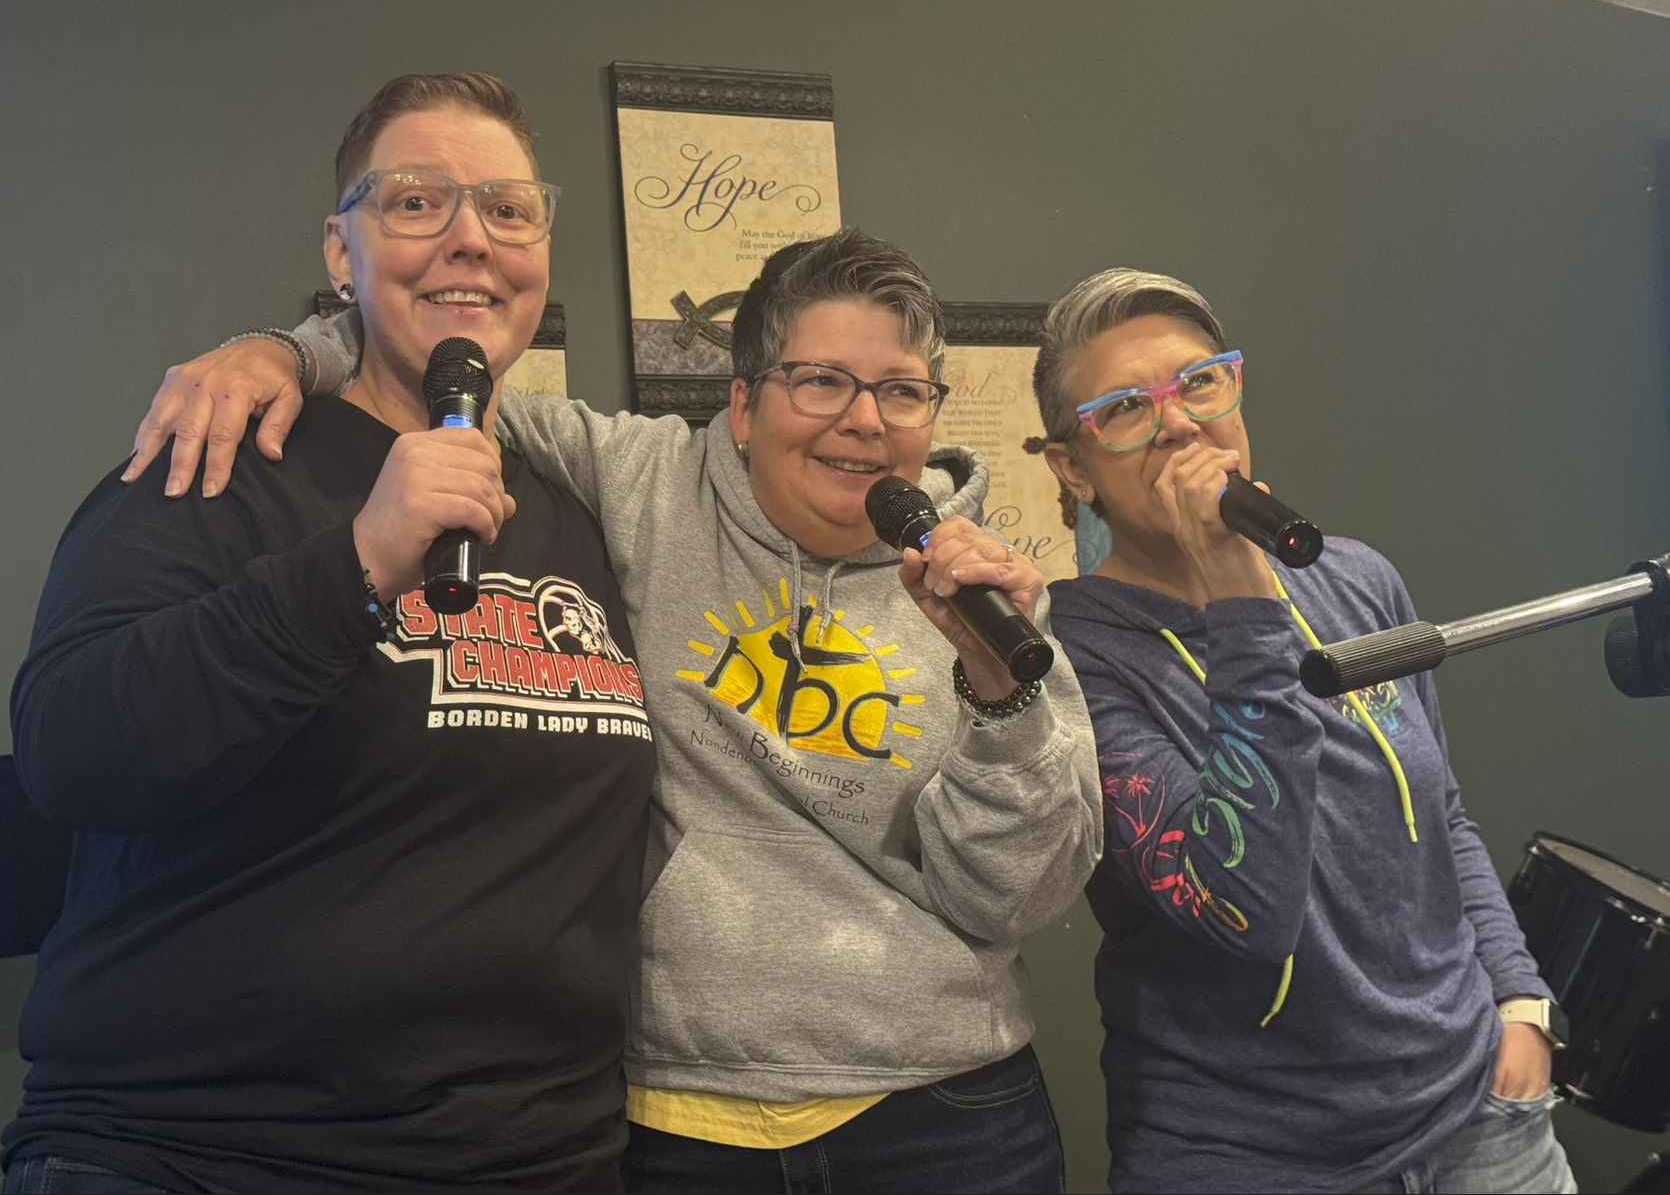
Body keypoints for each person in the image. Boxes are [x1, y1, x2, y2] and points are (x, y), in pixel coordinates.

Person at [118, 227, 1103, 1193]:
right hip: (675, 1118)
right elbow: (448, 364)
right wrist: (287, 350)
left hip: (945, 1110)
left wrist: (999, 695)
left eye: (900, 391)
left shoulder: (987, 596)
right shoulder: (642, 479)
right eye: (819, 381)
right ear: (744, 405)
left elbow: (1011, 898)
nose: (864, 420)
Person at [3, 73, 657, 1194]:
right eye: (414, 202)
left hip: (539, 1160)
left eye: (507, 209)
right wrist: (353, 562)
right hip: (202, 1152)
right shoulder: (213, 460)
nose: (469, 240)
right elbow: (73, 754)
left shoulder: (579, 506)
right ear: (340, 253)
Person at [1031, 267, 1576, 1194]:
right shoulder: (1069, 654)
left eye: (1200, 381)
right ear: (1072, 468)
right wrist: (1244, 605)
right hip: (1253, 1156)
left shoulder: (1358, 580)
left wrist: (1520, 999)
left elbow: (1439, 818)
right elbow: (1244, 904)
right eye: (1125, 408)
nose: (1180, 424)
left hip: (1482, 1116)